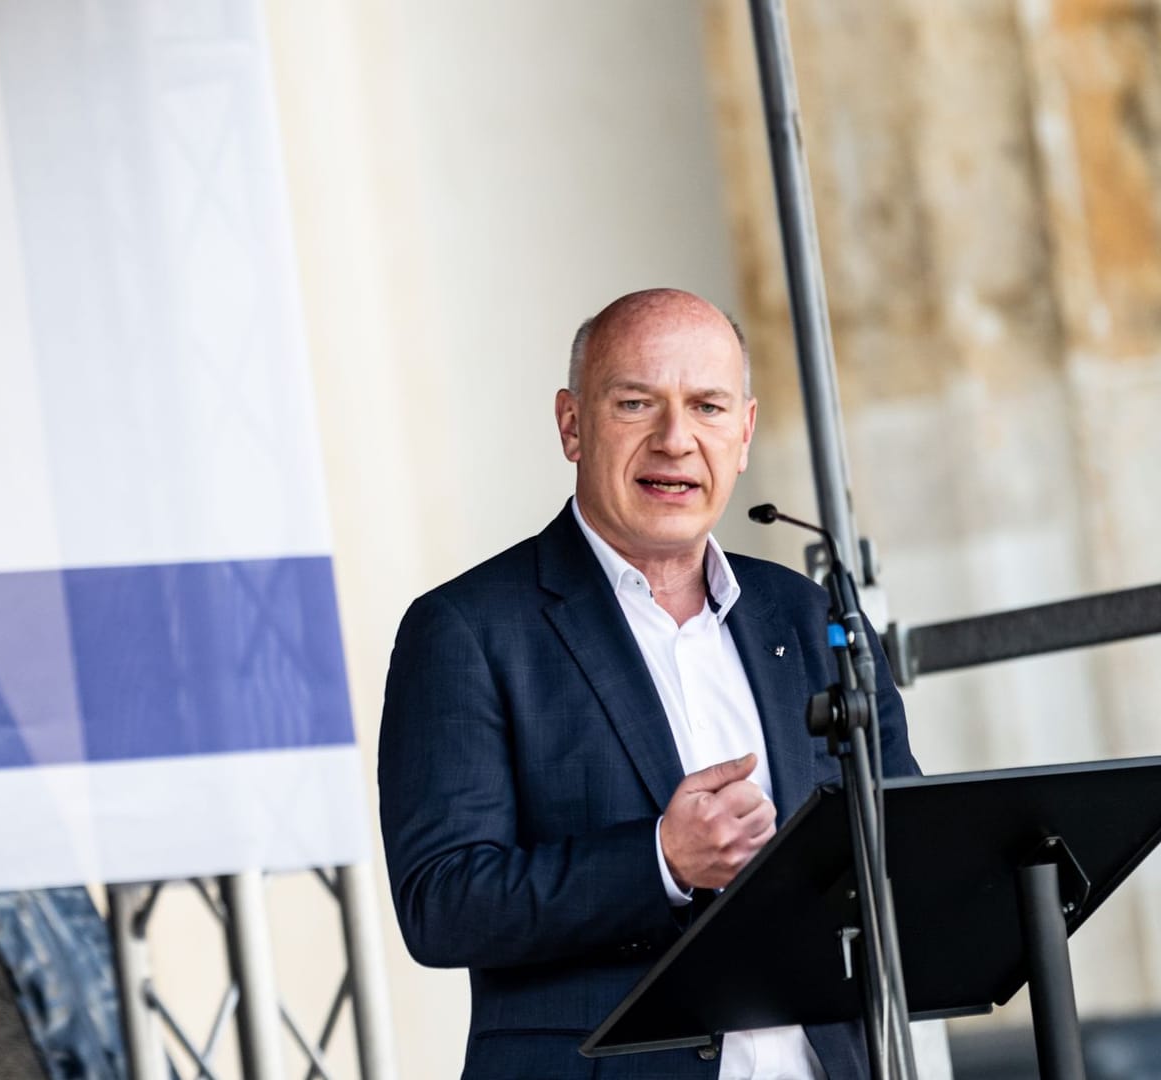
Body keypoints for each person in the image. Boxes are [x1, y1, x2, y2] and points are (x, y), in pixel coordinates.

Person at [377, 289, 919, 1079]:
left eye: (707, 406)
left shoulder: (807, 617)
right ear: (571, 425)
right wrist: (660, 859)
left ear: (744, 432)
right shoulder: (467, 629)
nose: (676, 440)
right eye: (636, 404)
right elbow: (442, 902)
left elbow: (901, 842)